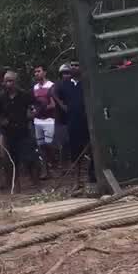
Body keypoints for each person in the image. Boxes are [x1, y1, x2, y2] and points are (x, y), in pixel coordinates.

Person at [52, 62, 94, 191]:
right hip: (72, 123)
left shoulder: (87, 82)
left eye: (77, 65)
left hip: (88, 123)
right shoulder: (64, 84)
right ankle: (77, 180)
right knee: (75, 153)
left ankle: (92, 177)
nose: (74, 67)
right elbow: (52, 91)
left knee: (93, 151)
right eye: (72, 65)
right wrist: (62, 105)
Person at [0, 70, 39, 191]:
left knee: (29, 158)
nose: (8, 83)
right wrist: (2, 120)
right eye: (6, 81)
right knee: (10, 160)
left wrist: (33, 112)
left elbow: (35, 106)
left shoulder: (24, 95)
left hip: (23, 131)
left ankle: (35, 184)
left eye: (10, 81)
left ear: (16, 82)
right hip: (8, 132)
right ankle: (15, 184)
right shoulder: (1, 96)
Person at [31, 65, 56, 178]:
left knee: (49, 144)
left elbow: (53, 104)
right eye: (35, 72)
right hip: (37, 121)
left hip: (49, 120)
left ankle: (53, 165)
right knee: (40, 146)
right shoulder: (35, 88)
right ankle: (45, 170)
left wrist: (43, 109)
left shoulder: (51, 86)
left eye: (39, 71)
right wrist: (33, 111)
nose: (37, 73)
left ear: (44, 72)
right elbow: (32, 104)